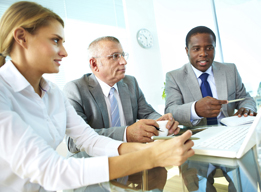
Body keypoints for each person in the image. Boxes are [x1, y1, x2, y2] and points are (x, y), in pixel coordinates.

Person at [0, 2, 194, 191]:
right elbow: (53, 171)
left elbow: (90, 140)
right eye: (55, 40)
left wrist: (146, 150)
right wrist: (150, 157)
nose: (64, 52)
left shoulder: (53, 93)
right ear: (21, 37)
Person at [63, 36, 179, 156]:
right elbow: (73, 142)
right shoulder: (75, 89)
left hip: (129, 157)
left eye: (123, 55)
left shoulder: (130, 83)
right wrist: (126, 133)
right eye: (115, 56)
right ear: (94, 64)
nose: (124, 61)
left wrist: (162, 123)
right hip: (92, 163)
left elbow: (147, 113)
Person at [165, 26, 256, 127]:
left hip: (230, 131)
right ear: (187, 51)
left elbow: (245, 98)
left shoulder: (230, 70)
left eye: (209, 48)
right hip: (197, 136)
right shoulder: (174, 77)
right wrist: (195, 109)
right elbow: (171, 110)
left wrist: (248, 108)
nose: (203, 54)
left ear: (214, 48)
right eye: (196, 49)